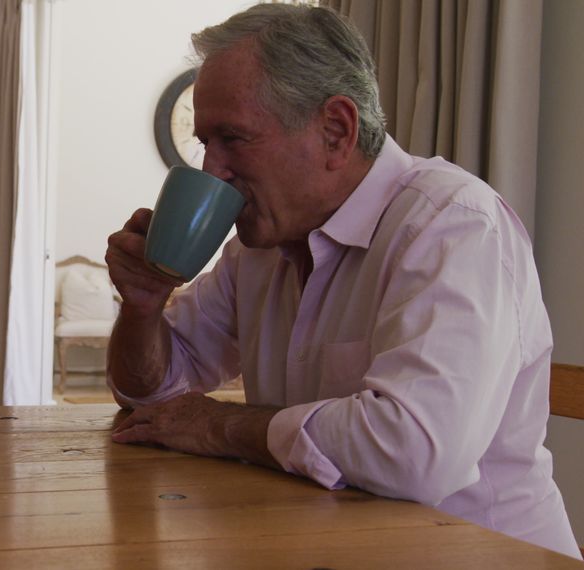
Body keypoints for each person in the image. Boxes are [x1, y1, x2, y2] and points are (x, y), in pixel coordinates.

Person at [105, 4, 580, 559]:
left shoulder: (451, 224)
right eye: (205, 142)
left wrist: (220, 426)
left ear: (335, 130)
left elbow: (414, 452)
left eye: (232, 138)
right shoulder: (255, 252)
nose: (212, 169)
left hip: (479, 554)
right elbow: (152, 396)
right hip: (334, 545)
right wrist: (142, 306)